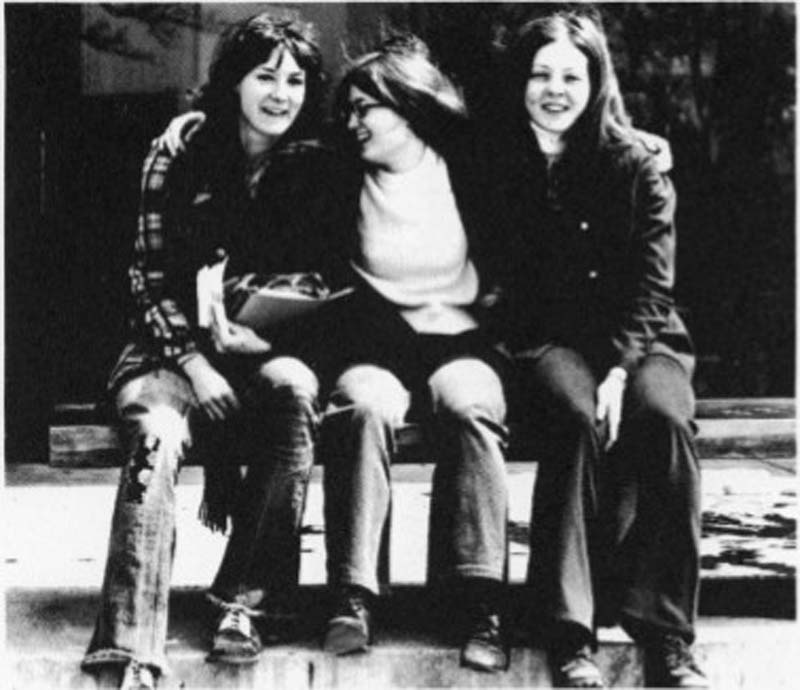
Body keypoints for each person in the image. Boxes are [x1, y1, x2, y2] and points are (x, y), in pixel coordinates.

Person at [81, 13, 338, 690]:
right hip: (166, 356)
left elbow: (318, 279)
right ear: (234, 82)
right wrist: (195, 362)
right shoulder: (182, 150)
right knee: (159, 433)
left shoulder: (314, 166)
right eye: (265, 76)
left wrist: (265, 331)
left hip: (252, 351)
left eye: (295, 80)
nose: (281, 93)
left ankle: (243, 604)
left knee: (296, 390)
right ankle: (130, 646)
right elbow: (146, 277)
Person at [495, 10, 708, 689]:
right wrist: (199, 121)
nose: (554, 90)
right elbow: (403, 115)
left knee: (665, 418)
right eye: (540, 74)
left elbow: (654, 285)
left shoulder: (636, 164)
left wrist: (621, 366)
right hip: (551, 340)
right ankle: (568, 631)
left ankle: (667, 633)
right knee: (574, 415)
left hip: (643, 339)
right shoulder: (494, 159)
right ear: (521, 81)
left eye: (570, 76)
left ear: (595, 82)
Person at [313, 35, 511, 674]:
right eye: (349, 109)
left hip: (461, 339)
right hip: (376, 342)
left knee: (471, 405)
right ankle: (355, 594)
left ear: (409, 108)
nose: (354, 122)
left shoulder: (475, 169)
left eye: (368, 108)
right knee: (364, 404)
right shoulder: (338, 178)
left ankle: (478, 599)